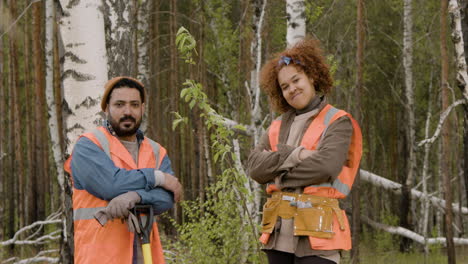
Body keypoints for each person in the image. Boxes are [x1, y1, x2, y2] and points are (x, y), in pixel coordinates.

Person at [247, 39, 362, 264]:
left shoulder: (337, 121)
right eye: (285, 86)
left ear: (311, 76)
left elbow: (325, 166)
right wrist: (296, 155)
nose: (292, 89)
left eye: (296, 80)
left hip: (319, 237)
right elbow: (254, 167)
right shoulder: (277, 125)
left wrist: (277, 173)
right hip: (278, 236)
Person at [64, 76, 183, 264]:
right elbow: (111, 185)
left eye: (134, 105)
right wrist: (157, 177)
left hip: (146, 257)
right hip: (100, 258)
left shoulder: (156, 151)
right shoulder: (89, 146)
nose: (128, 111)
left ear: (142, 108)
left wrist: (136, 196)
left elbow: (167, 198)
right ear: (106, 108)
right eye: (119, 104)